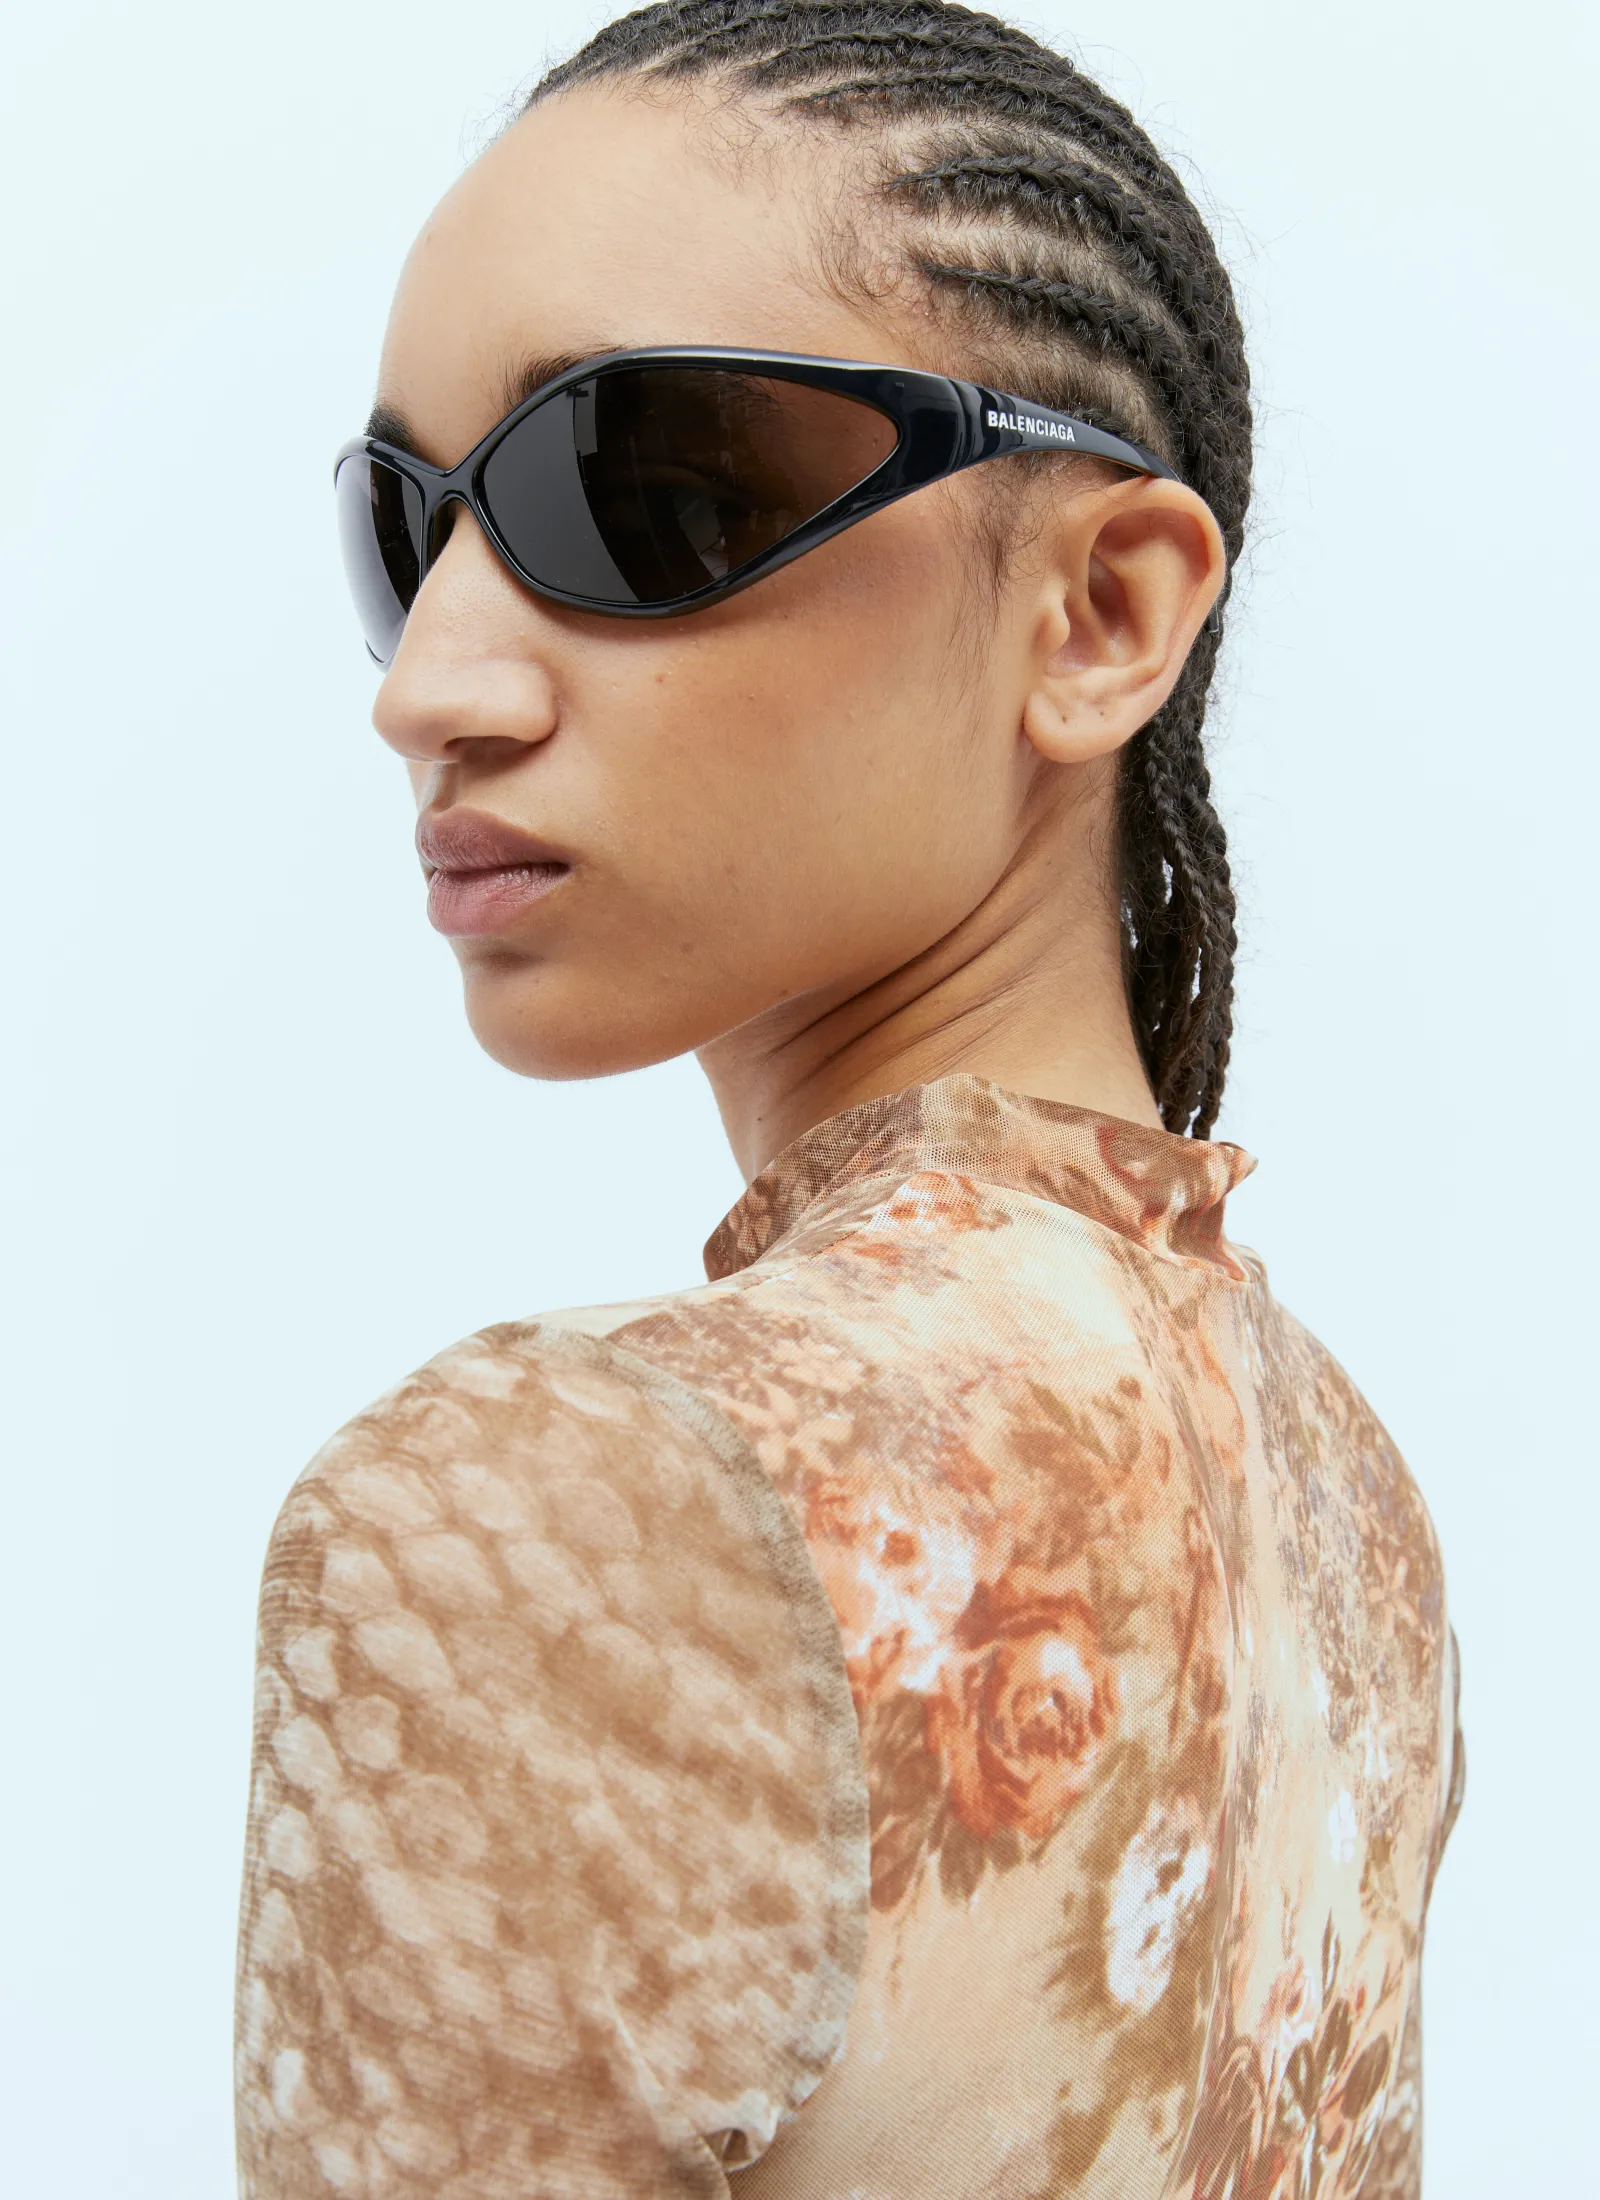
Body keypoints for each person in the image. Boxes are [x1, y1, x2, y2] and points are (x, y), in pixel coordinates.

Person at [233, 5, 1464, 2195]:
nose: (429, 684)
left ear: (1100, 612)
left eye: (642, 495)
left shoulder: (562, 1499)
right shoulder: (1352, 1513)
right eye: (405, 531)